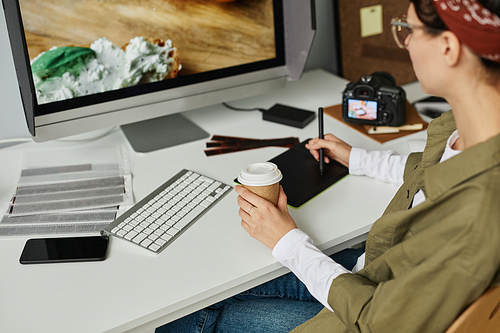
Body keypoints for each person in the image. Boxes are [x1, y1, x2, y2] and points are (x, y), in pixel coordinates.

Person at [156, 0, 500, 331]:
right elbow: (431, 171)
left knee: (183, 318)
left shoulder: (477, 214)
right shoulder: (473, 130)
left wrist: (286, 239)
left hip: (365, 313)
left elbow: (375, 321)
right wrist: (359, 159)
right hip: (373, 274)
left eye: (409, 29)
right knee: (211, 293)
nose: (406, 42)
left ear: (449, 48)